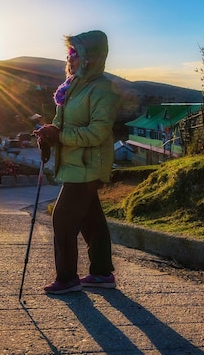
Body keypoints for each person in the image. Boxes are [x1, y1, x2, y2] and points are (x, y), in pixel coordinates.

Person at [33, 30, 122, 294]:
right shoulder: (71, 87)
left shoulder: (103, 89)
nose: (69, 59)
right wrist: (49, 134)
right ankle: (102, 274)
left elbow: (98, 132)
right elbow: (62, 124)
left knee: (62, 217)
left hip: (89, 164)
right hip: (76, 163)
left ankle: (67, 278)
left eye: (75, 54)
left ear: (89, 58)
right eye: (69, 53)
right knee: (91, 219)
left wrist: (60, 135)